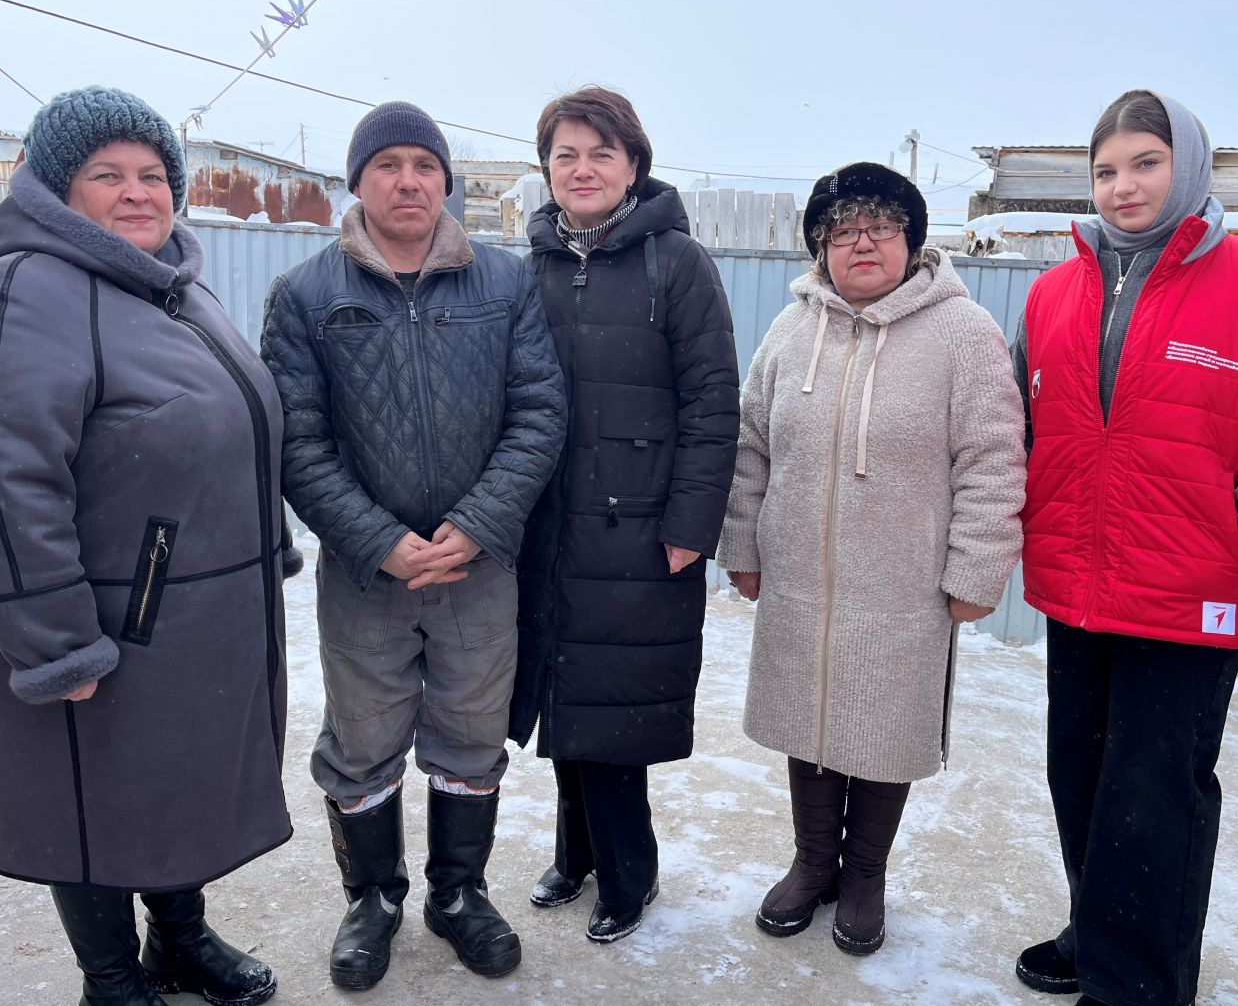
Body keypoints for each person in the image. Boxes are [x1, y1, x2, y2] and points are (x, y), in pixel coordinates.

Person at [1010, 90, 1238, 1006]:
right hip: (1078, 584)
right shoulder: (1053, 292)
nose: (1122, 186)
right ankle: (1100, 933)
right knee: (1081, 773)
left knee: (1154, 792)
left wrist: (1224, 537)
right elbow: (1020, 428)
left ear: (1191, 166)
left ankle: (1140, 983)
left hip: (1189, 595)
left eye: (1146, 163)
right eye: (1105, 170)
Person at [260, 101, 566, 987]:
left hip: (479, 565)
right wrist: (379, 539)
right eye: (387, 165)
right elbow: (297, 441)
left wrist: (477, 524)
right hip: (368, 574)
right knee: (362, 738)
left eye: (424, 165)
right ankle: (373, 899)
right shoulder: (306, 295)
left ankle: (458, 894)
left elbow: (539, 412)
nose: (407, 181)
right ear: (357, 181)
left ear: (446, 182)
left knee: (472, 731)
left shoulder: (503, 283)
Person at [0, 86, 290, 1006]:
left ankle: (178, 940)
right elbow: (12, 477)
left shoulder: (173, 284)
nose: (138, 192)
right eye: (108, 174)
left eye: (154, 173)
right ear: (57, 188)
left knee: (171, 786)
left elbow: (232, 429)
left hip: (182, 611)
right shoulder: (33, 287)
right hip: (97, 617)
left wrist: (264, 546)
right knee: (91, 802)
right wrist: (56, 642)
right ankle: (113, 979)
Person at [717, 162, 1026, 955]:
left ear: (910, 240)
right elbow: (751, 445)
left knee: (884, 728)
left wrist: (978, 568)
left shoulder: (963, 333)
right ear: (821, 248)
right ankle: (813, 862)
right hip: (800, 578)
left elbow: (993, 459)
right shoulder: (792, 330)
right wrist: (742, 541)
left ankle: (864, 876)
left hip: (904, 583)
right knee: (809, 716)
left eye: (881, 227)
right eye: (843, 230)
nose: (862, 243)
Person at [510, 86, 740, 943]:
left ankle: (627, 875)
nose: (583, 169)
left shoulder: (677, 263)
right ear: (546, 169)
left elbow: (713, 405)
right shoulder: (528, 267)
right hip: (547, 530)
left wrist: (690, 526)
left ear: (633, 164)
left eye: (601, 153)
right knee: (562, 694)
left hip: (639, 532)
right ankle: (574, 855)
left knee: (613, 712)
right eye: (565, 154)